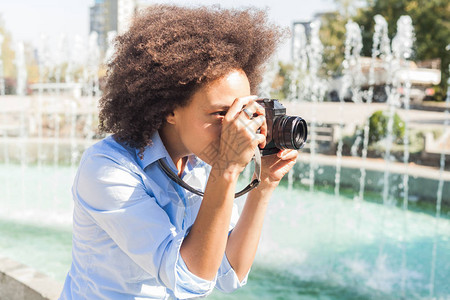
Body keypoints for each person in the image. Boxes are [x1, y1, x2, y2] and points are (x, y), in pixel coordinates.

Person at [60, 4, 298, 299]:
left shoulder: (200, 164)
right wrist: (226, 169)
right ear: (170, 109)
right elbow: (191, 279)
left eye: (244, 110)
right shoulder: (106, 168)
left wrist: (264, 185)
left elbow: (227, 272)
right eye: (222, 113)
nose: (236, 127)